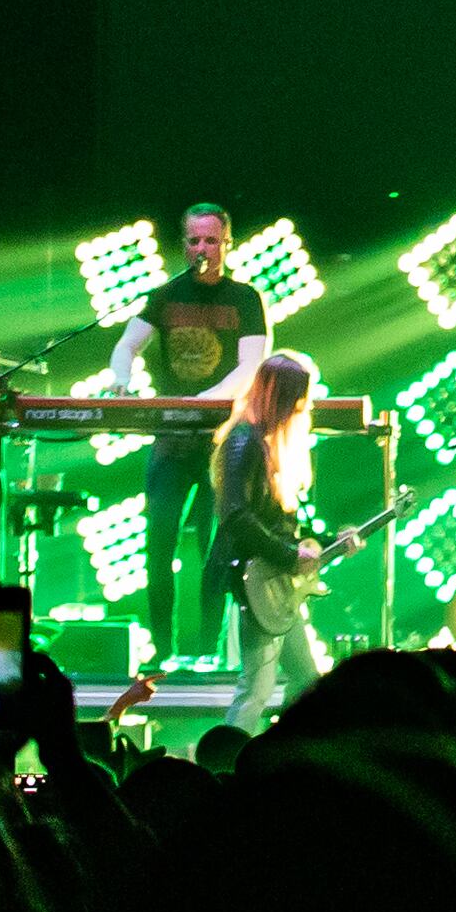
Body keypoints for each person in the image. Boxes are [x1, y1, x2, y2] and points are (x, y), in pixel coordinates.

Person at [105, 205, 270, 671]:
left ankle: (206, 649)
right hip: (171, 440)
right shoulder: (165, 296)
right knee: (158, 546)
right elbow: (126, 345)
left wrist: (210, 398)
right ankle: (163, 648)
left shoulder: (245, 299)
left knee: (215, 549)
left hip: (223, 442)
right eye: (195, 241)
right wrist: (120, 379)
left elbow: (251, 364)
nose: (202, 249)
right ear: (184, 245)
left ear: (227, 244)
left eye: (211, 241)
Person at [215, 349, 330, 732]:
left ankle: (293, 753)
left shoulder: (268, 444)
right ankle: (222, 767)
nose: (303, 408)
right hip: (257, 581)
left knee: (307, 683)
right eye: (297, 400)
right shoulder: (243, 442)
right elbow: (235, 515)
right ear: (279, 399)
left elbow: (281, 529)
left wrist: (330, 540)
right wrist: (286, 554)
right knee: (256, 690)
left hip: (278, 584)